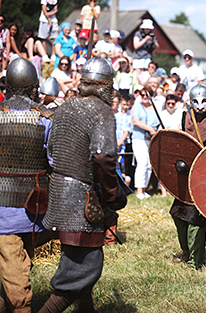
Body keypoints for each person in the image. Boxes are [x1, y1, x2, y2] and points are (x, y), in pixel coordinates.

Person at [39, 57, 126, 312]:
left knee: (78, 259)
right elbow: (103, 157)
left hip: (58, 190)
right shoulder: (101, 111)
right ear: (105, 87)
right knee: (84, 267)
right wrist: (112, 194)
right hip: (81, 196)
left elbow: (53, 149)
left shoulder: (65, 107)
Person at [0, 57, 53, 313]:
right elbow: (54, 161)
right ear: (34, 87)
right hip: (33, 210)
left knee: (16, 268)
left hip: (5, 213)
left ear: (7, 86)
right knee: (18, 271)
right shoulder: (45, 119)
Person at [170, 84, 206, 269]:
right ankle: (187, 252)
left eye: (203, 101)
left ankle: (196, 260)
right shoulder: (185, 117)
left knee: (196, 219)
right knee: (178, 214)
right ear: (190, 102)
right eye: (195, 102)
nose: (199, 106)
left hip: (205, 174)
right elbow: (179, 140)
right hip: (185, 173)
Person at [132, 87, 160, 199]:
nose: (144, 97)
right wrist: (149, 128)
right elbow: (135, 121)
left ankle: (144, 190)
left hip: (151, 139)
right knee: (142, 163)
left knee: (149, 165)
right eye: (142, 95)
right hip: (139, 138)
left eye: (146, 95)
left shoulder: (155, 108)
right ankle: (139, 191)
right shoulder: (137, 106)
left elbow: (158, 123)